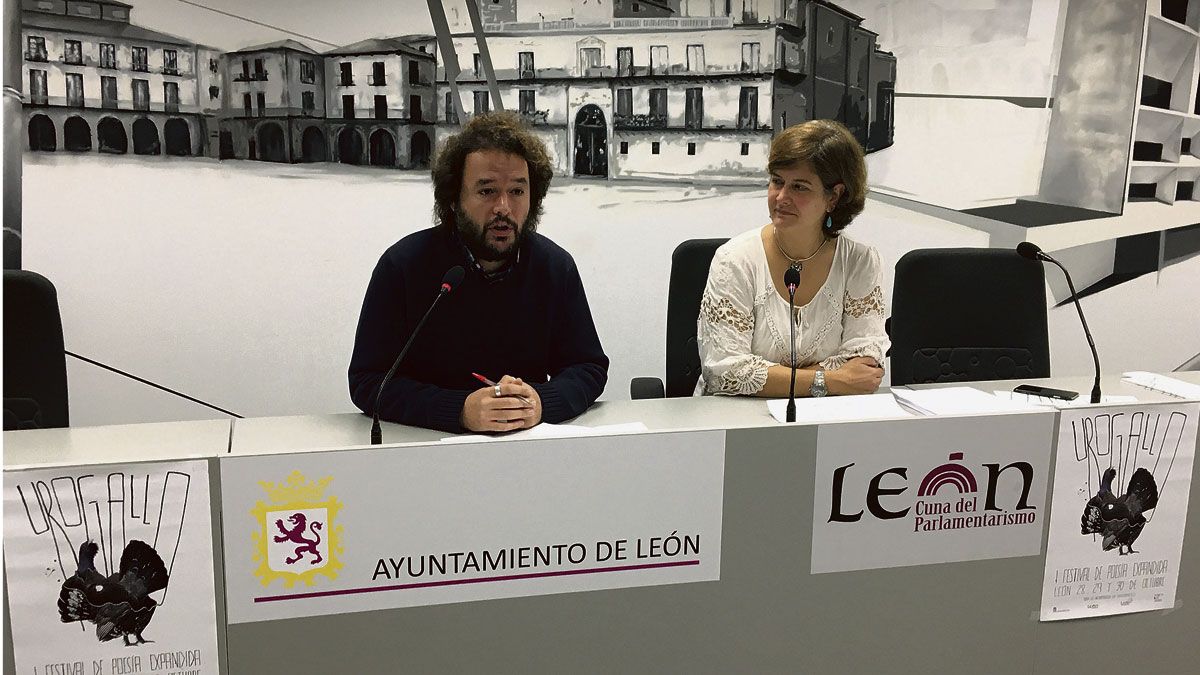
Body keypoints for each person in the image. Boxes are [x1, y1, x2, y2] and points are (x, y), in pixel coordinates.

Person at [349, 112, 609, 433]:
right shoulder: (403, 265)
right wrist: (459, 410)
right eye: (486, 191)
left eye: (517, 191)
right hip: (428, 449)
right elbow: (368, 381)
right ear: (454, 200)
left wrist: (541, 401)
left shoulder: (555, 267)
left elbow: (588, 367)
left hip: (529, 449)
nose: (504, 207)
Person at [695, 119, 889, 398]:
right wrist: (831, 380)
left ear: (834, 197)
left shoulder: (861, 262)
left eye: (799, 187)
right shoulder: (733, 260)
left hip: (830, 420)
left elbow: (865, 368)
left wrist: (770, 376)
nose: (781, 197)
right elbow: (725, 373)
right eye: (777, 181)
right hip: (738, 421)